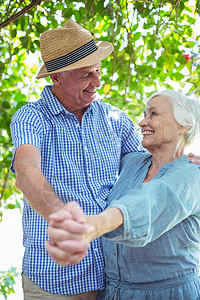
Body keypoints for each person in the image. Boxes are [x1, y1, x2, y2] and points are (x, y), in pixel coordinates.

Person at [10, 19, 145, 299]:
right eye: (86, 75)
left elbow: (146, 167)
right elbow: (26, 170)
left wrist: (182, 163)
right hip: (53, 281)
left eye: (98, 70)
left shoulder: (115, 119)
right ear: (56, 77)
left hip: (112, 278)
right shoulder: (32, 118)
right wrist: (64, 220)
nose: (97, 82)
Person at [47, 90, 200, 300]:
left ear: (183, 125)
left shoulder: (191, 173)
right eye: (145, 114)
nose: (143, 121)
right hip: (112, 293)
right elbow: (89, 157)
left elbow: (148, 204)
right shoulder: (133, 162)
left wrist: (94, 225)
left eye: (153, 114)